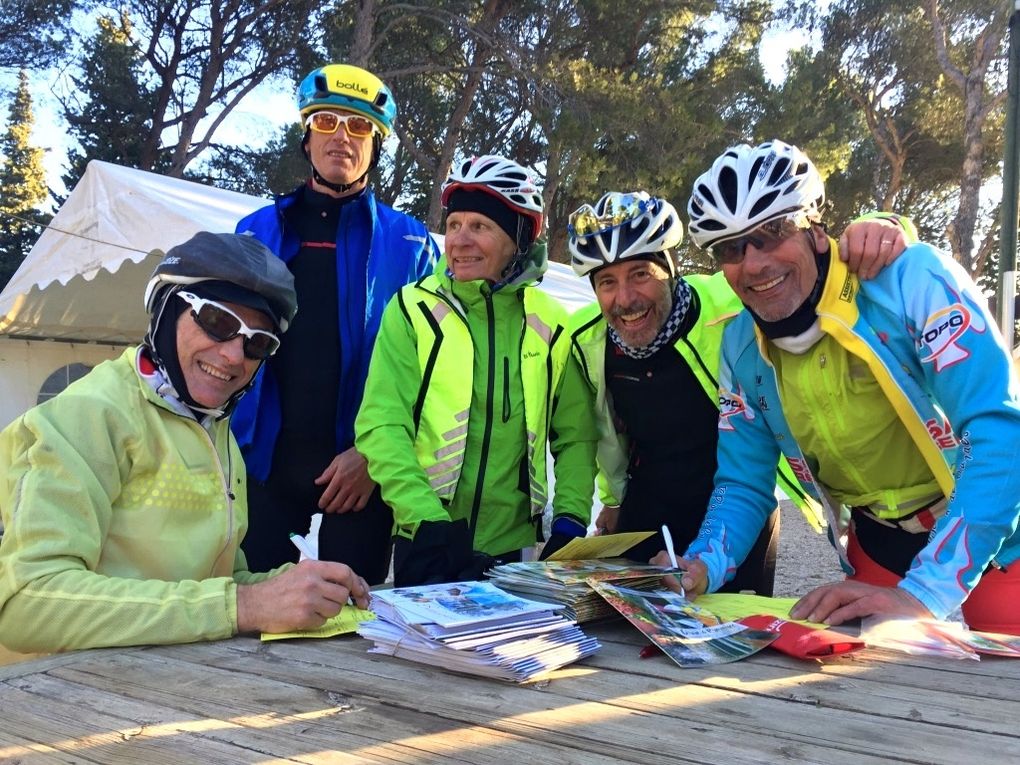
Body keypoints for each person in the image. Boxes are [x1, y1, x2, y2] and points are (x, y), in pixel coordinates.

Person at [670, 139, 1020, 634]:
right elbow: (744, 482)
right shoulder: (738, 344)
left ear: (815, 228)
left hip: (1003, 532)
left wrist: (924, 592)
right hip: (878, 540)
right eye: (730, 248)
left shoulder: (912, 278)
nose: (752, 264)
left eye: (772, 233)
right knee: (877, 703)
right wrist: (702, 565)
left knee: (1003, 699)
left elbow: (1000, 437)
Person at [0, 232, 370, 654]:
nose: (234, 356)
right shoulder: (87, 414)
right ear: (165, 311)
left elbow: (211, 587)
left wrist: (294, 586)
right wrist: (244, 604)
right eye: (217, 321)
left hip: (166, 686)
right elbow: (23, 603)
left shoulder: (214, 428)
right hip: (57, 700)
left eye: (257, 343)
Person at [567, 191, 909, 595]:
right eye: (607, 282)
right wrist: (613, 500)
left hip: (739, 501)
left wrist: (886, 223)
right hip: (647, 511)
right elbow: (605, 432)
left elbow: (810, 264)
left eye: (641, 274)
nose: (625, 299)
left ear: (671, 269)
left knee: (736, 638)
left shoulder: (732, 306)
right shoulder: (586, 339)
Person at [233, 63, 439, 583]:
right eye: (326, 122)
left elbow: (433, 373)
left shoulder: (412, 244)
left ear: (375, 145)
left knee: (355, 623)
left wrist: (374, 455)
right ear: (306, 137)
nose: (341, 137)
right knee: (254, 620)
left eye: (359, 127)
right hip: (266, 467)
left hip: (362, 473)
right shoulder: (254, 231)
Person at [355, 155, 598, 586]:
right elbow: (381, 423)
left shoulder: (553, 323)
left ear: (519, 236)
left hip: (516, 546)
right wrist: (424, 519)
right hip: (426, 534)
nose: (460, 240)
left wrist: (571, 521)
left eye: (480, 227)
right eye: (453, 225)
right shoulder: (413, 309)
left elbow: (576, 434)